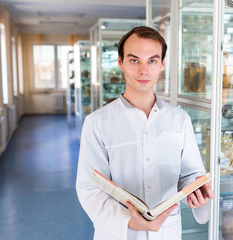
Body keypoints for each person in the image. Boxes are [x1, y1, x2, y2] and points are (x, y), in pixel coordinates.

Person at [76, 26, 214, 240]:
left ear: (162, 65)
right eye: (134, 60)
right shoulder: (97, 123)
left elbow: (189, 175)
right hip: (119, 233)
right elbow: (90, 189)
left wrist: (196, 194)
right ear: (120, 62)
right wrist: (128, 221)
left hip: (167, 232)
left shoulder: (179, 119)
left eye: (152, 60)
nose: (143, 70)